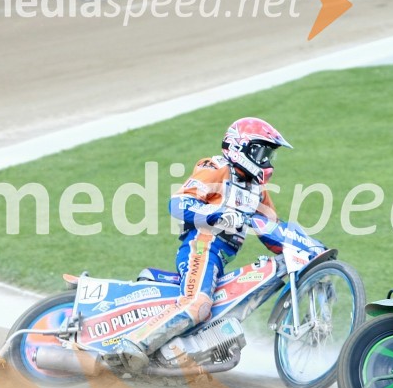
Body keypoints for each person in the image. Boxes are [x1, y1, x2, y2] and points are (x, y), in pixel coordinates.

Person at [112, 117, 292, 372]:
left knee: (220, 309)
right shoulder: (217, 167)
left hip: (219, 258)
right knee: (198, 304)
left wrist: (301, 246)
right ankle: (133, 344)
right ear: (241, 148)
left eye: (269, 154)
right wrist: (217, 214)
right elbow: (178, 204)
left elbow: (272, 229)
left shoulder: (257, 191)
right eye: (261, 152)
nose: (266, 161)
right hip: (203, 245)